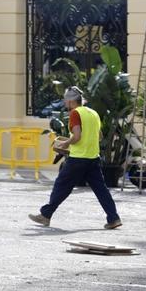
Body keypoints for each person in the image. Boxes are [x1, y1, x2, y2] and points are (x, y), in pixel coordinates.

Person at [29, 86, 122, 230]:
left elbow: (77, 137)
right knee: (101, 190)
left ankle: (45, 215)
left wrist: (65, 143)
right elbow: (99, 136)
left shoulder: (75, 113)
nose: (65, 104)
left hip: (78, 159)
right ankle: (114, 218)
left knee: (61, 185)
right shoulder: (93, 113)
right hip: (93, 158)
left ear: (71, 101)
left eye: (66, 101)